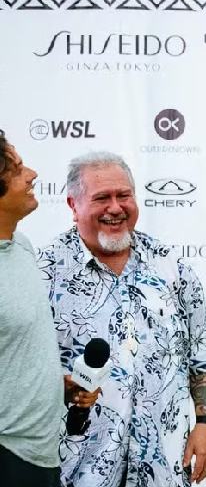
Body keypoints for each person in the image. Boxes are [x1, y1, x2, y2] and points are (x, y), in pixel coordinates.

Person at [38, 152, 206, 487]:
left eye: (124, 195)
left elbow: (204, 350)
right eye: (102, 198)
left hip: (165, 465)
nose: (116, 207)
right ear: (73, 205)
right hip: (77, 468)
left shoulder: (170, 267)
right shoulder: (44, 273)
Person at [0, 130, 68, 487]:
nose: (33, 175)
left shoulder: (21, 245)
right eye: (18, 169)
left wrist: (56, 386)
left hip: (41, 455)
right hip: (8, 456)